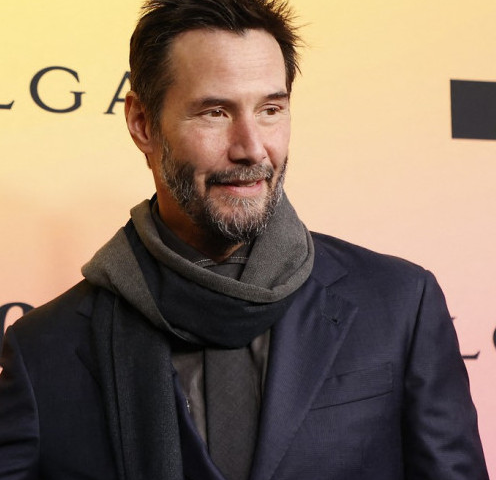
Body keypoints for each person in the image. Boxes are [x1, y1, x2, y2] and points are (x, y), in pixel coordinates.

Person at [0, 0, 489, 478]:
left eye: (271, 109)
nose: (252, 148)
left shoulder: (399, 304)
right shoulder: (44, 350)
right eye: (215, 112)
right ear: (142, 124)